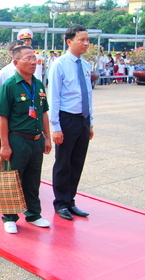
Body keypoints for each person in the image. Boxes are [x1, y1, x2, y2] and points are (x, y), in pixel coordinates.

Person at [0, 45, 52, 234]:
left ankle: (33, 214)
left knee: (33, 179)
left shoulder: (38, 84)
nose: (33, 62)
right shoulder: (10, 86)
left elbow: (44, 112)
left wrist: (47, 137)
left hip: (36, 139)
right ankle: (9, 217)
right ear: (16, 62)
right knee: (11, 178)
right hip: (17, 139)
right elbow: (3, 117)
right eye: (28, 59)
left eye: (34, 58)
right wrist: (4, 145)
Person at [48, 25, 93, 221]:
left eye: (87, 40)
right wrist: (55, 127)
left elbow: (88, 95)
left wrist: (90, 122)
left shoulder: (85, 65)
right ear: (69, 42)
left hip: (82, 120)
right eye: (82, 39)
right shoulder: (59, 64)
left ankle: (70, 200)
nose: (86, 43)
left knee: (77, 162)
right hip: (66, 119)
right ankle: (61, 203)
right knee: (63, 163)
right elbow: (54, 97)